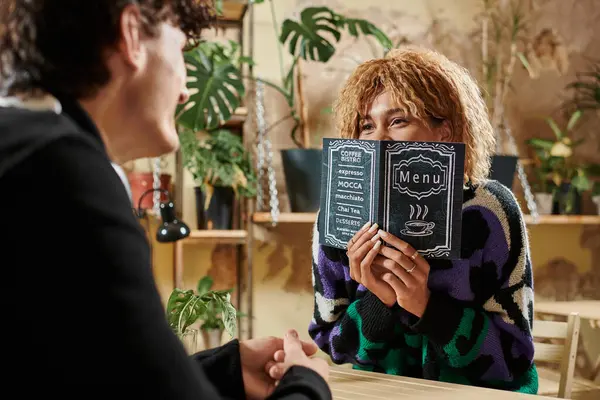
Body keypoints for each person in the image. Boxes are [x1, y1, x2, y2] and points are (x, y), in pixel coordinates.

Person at [0, 1, 330, 399]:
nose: (187, 90)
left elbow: (87, 375)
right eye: (180, 51)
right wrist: (308, 385)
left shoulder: (24, 146)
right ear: (132, 34)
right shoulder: (63, 171)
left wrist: (223, 370)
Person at [308, 47, 538, 394]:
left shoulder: (489, 211)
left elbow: (511, 359)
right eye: (367, 125)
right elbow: (334, 347)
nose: (380, 138)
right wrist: (378, 301)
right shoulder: (338, 217)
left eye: (398, 121)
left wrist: (427, 307)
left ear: (444, 131)